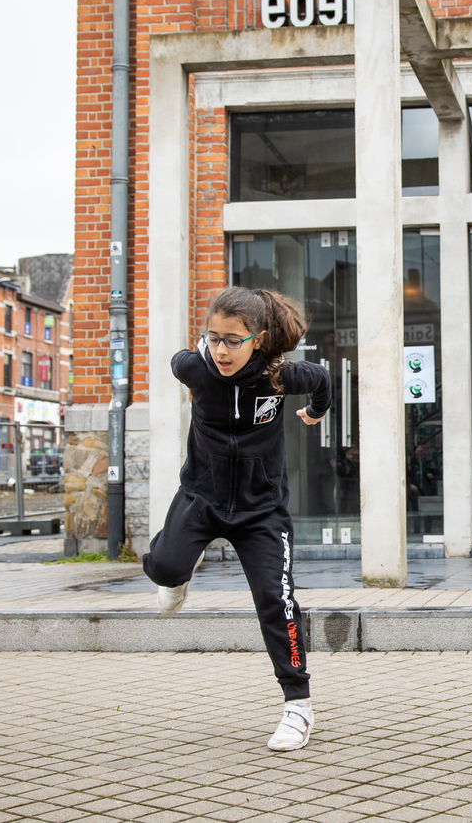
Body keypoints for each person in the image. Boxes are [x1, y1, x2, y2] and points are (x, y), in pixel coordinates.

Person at [143, 286, 332, 752]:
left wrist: (314, 411)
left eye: (233, 340)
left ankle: (298, 707)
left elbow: (324, 379)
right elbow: (175, 361)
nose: (221, 350)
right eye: (213, 338)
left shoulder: (280, 376)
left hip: (260, 509)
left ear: (258, 339)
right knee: (164, 567)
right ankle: (179, 574)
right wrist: (196, 365)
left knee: (276, 599)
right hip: (201, 497)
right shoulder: (194, 366)